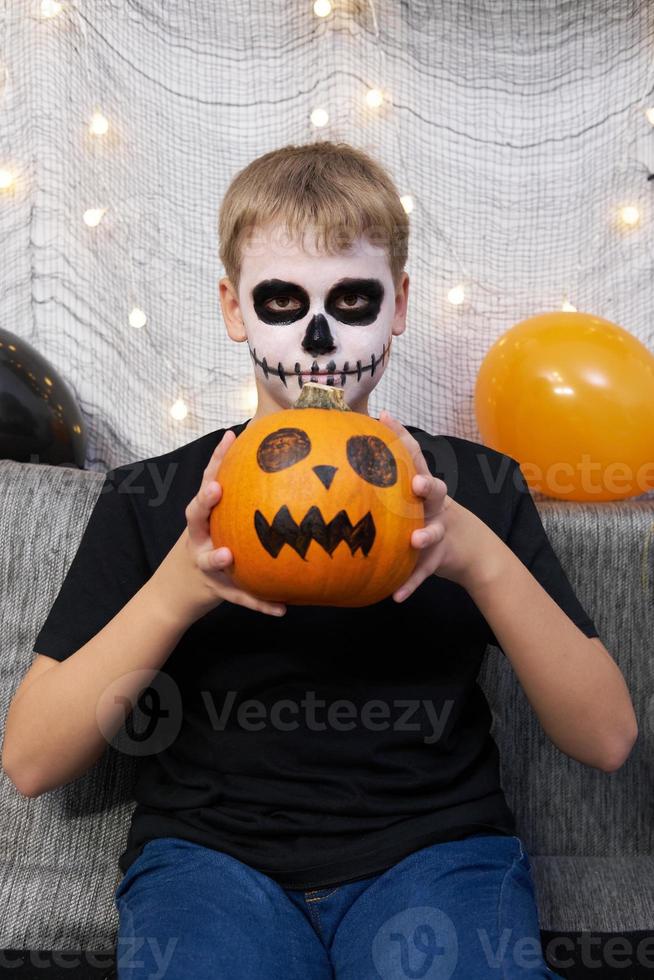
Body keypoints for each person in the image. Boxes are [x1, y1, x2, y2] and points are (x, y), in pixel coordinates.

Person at [5, 141, 637, 979]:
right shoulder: (153, 497)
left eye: (352, 299)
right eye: (281, 300)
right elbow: (31, 761)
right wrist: (179, 590)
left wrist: (480, 560)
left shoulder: (477, 487)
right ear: (234, 309)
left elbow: (606, 738)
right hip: (209, 865)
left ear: (399, 305)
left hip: (438, 855)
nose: (317, 334)